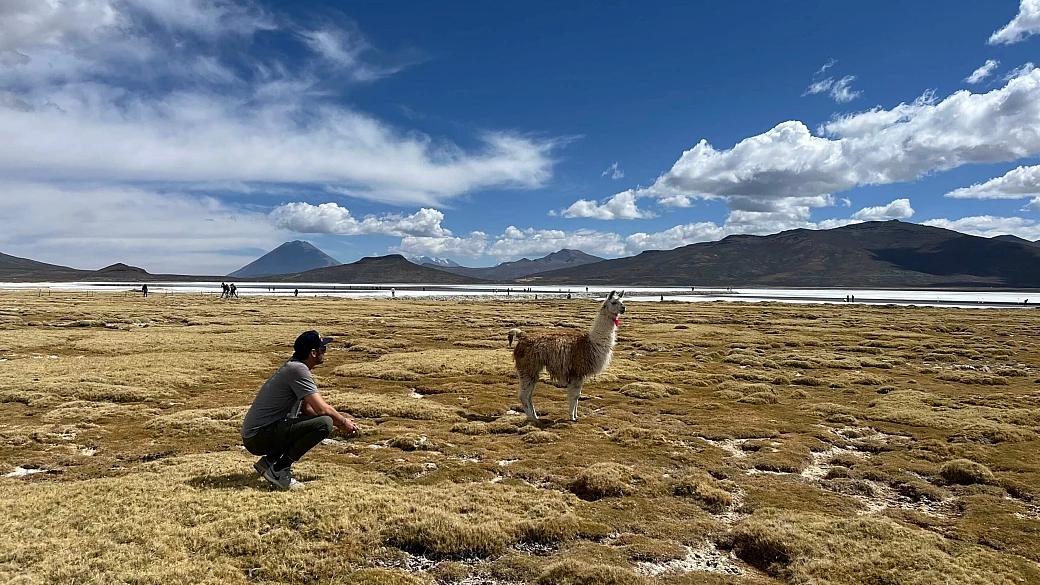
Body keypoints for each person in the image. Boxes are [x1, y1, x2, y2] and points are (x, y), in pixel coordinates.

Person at [241, 331, 358, 490]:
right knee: (325, 423)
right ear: (313, 352)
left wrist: (332, 423)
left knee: (317, 422)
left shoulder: (293, 366)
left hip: (257, 434)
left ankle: (268, 462)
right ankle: (279, 470)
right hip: (258, 437)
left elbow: (307, 409)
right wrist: (343, 423)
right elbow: (322, 409)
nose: (325, 353)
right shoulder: (298, 370)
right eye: (323, 349)